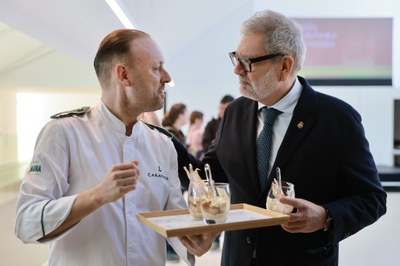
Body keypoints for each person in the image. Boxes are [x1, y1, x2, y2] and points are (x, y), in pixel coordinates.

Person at [200, 10, 387, 266]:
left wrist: (325, 216)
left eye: (247, 62)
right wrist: (156, 138)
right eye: (236, 58)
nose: (237, 70)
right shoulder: (235, 112)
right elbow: (210, 171)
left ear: (284, 66)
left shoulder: (337, 119)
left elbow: (371, 199)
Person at [14, 29, 215, 266]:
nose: (167, 77)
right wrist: (96, 196)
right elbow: (26, 222)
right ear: (124, 75)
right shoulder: (64, 133)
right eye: (156, 68)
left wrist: (196, 240)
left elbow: (174, 223)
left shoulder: (163, 144)